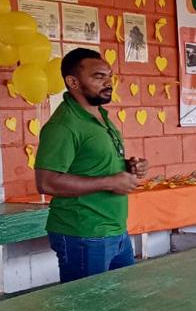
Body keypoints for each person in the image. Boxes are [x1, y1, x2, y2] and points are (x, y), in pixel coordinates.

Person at [35, 47, 147, 282]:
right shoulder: (64, 125)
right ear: (73, 82)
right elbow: (46, 182)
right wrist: (110, 181)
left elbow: (91, 162)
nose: (108, 83)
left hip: (114, 228)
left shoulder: (100, 116)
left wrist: (129, 166)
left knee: (121, 306)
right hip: (83, 233)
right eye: (98, 77)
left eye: (109, 76)